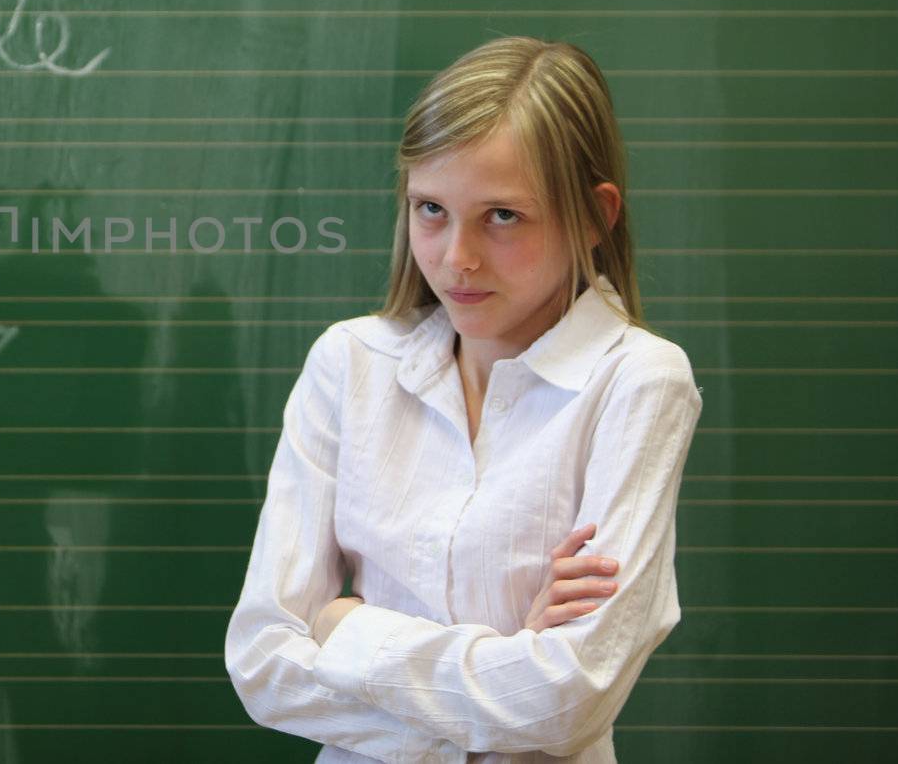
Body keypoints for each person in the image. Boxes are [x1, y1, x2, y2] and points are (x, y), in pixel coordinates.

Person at [224, 37, 703, 763]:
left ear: (596, 215)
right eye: (431, 209)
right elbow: (262, 662)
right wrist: (508, 664)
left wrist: (345, 626)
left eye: (503, 216)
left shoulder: (637, 381)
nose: (457, 258)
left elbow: (571, 696)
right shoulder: (349, 363)